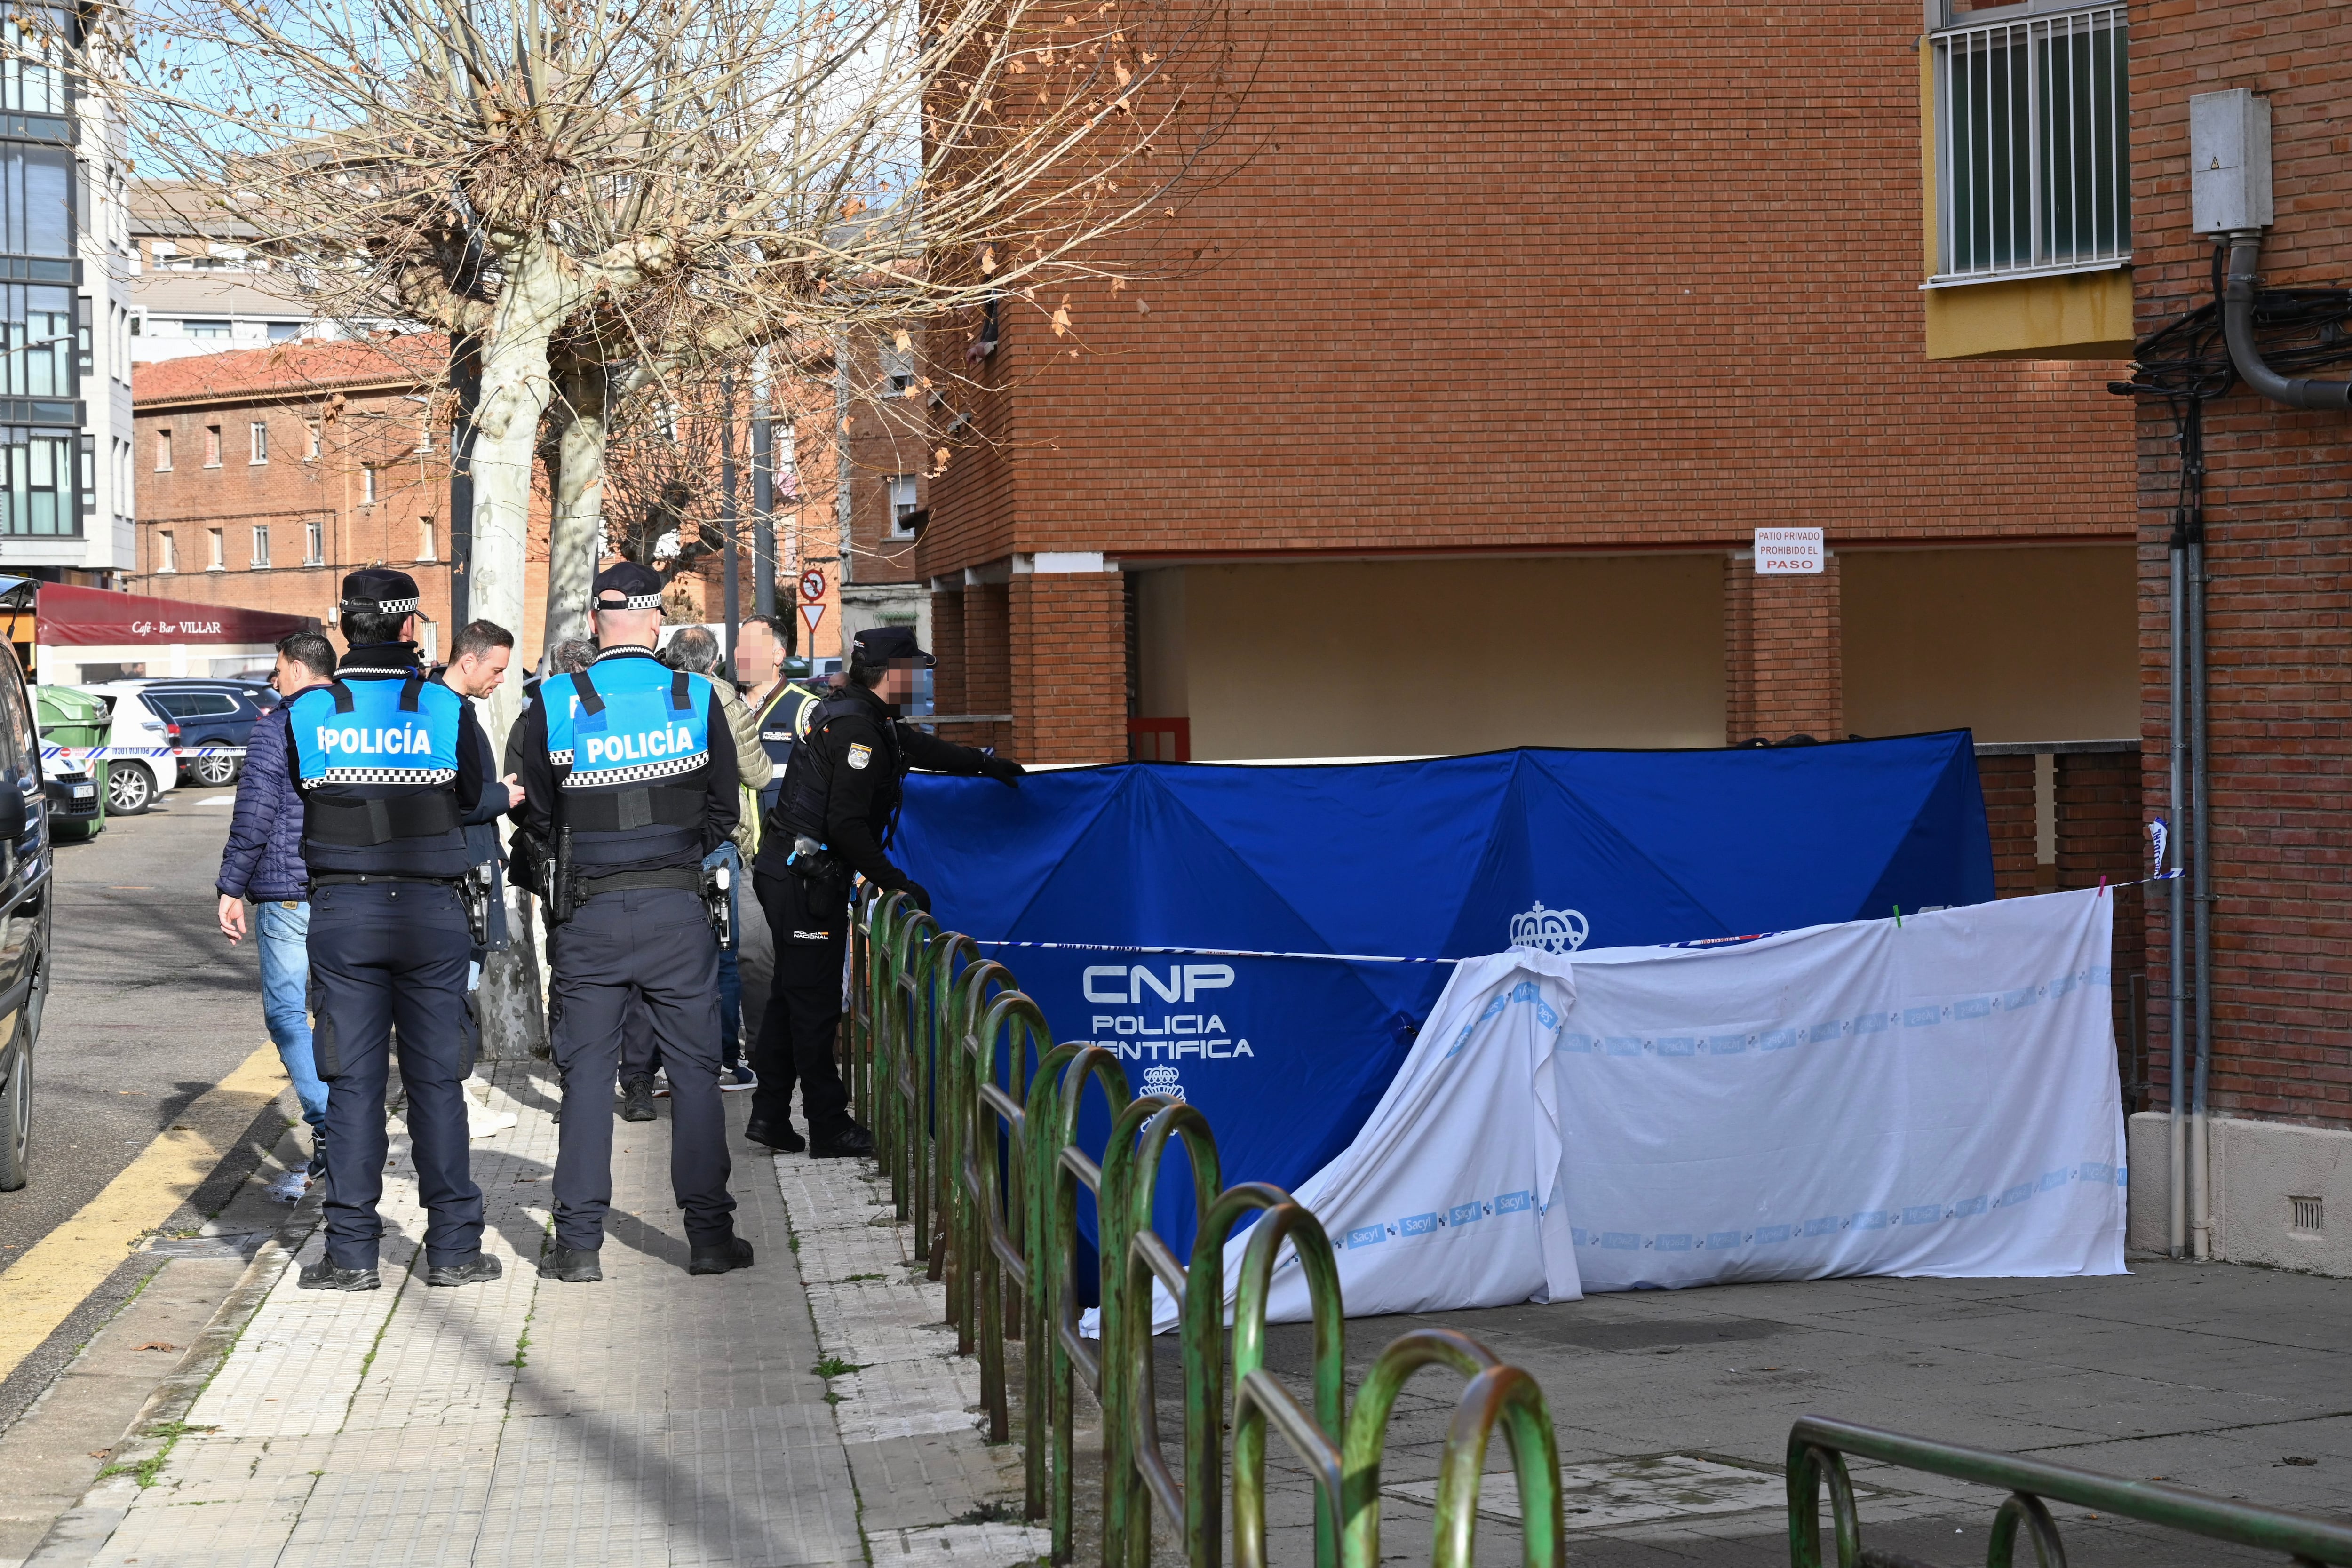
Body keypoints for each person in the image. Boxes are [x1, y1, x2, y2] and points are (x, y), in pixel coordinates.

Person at [510, 562, 750, 1282]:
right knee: (697, 1076)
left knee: (586, 1078)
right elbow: (724, 811)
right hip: (679, 909)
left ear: (592, 623)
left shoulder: (551, 702)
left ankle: (579, 1247)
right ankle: (709, 1239)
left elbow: (535, 813)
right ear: (656, 623)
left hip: (588, 915)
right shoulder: (696, 695)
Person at [286, 570, 493, 1291]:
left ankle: (349, 1255)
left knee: (352, 1084)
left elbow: (301, 792)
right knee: (439, 1080)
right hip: (431, 913)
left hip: (344, 914)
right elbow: (472, 797)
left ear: (344, 627)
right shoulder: (442, 705)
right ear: (410, 630)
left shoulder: (308, 710)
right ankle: (455, 1250)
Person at [746, 625, 1022, 1157]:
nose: (922, 681)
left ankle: (769, 1113)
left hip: (793, 870)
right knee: (815, 1004)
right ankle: (827, 1125)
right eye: (916, 672)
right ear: (893, 675)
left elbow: (917, 747)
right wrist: (900, 883)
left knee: (791, 994)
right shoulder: (857, 728)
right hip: (804, 877)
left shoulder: (866, 715)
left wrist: (986, 764)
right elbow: (846, 825)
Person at [215, 630, 338, 1187]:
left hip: (287, 890)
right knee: (344, 1013)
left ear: (293, 668)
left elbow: (257, 810)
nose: (274, 678)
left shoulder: (276, 725)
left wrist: (230, 886)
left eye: (278, 667)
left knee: (288, 1013)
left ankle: (328, 1123)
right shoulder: (354, 718)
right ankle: (349, 1127)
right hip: (347, 888)